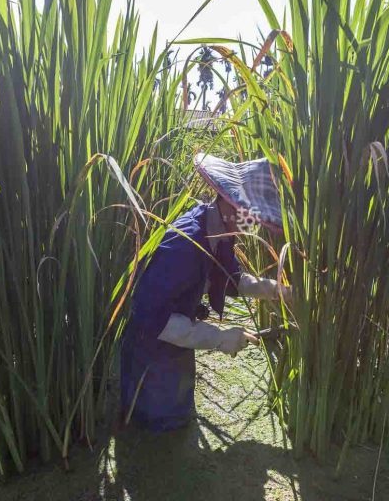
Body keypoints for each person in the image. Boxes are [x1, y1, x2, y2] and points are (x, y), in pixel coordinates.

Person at [120, 153, 289, 432]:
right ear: (228, 201)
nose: (252, 222)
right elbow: (151, 316)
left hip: (179, 339)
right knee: (158, 425)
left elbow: (230, 279)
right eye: (249, 212)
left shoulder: (221, 231)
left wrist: (278, 291)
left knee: (180, 417)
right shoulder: (184, 242)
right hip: (151, 349)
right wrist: (220, 338)